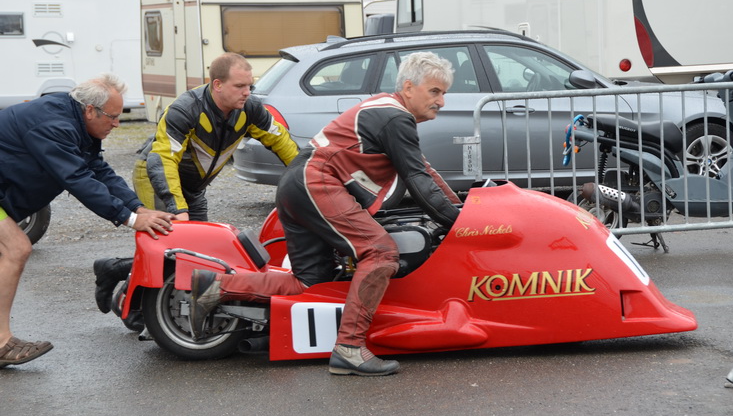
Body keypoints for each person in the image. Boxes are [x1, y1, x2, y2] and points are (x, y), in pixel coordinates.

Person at [190, 51, 461, 376]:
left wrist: (463, 209)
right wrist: (460, 224)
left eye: (444, 93)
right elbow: (418, 181)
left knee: (310, 282)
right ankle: (349, 347)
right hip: (315, 181)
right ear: (408, 87)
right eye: (435, 91)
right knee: (380, 252)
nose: (442, 101)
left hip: (298, 181)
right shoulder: (395, 116)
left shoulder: (389, 111)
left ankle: (216, 286)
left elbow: (425, 172)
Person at [93, 53, 299, 315]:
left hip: (194, 185)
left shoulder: (250, 109)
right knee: (167, 246)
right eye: (239, 86)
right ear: (217, 85)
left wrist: (308, 178)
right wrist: (177, 208)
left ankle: (113, 268)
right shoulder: (185, 108)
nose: (247, 93)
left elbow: (284, 143)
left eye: (250, 86)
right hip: (157, 176)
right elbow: (163, 160)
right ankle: (138, 309)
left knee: (200, 252)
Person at [0, 75, 175, 369]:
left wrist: (138, 208)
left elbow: (98, 170)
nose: (118, 124)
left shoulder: (78, 123)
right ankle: (2, 342)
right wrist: (129, 219)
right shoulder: (53, 125)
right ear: (90, 110)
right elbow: (76, 178)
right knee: (17, 247)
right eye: (114, 117)